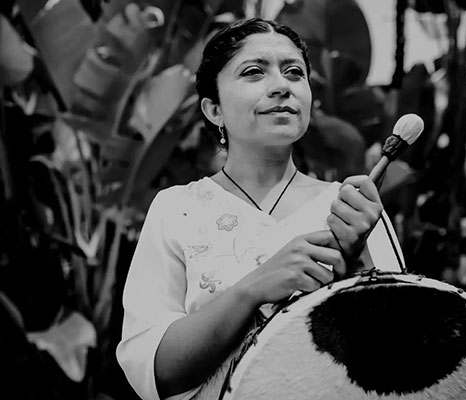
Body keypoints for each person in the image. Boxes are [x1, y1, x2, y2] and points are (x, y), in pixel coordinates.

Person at [116, 17, 404, 400]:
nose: (282, 86)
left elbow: (400, 362)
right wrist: (253, 288)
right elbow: (156, 373)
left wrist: (358, 265)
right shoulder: (175, 208)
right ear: (214, 110)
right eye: (254, 72)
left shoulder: (354, 207)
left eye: (294, 73)